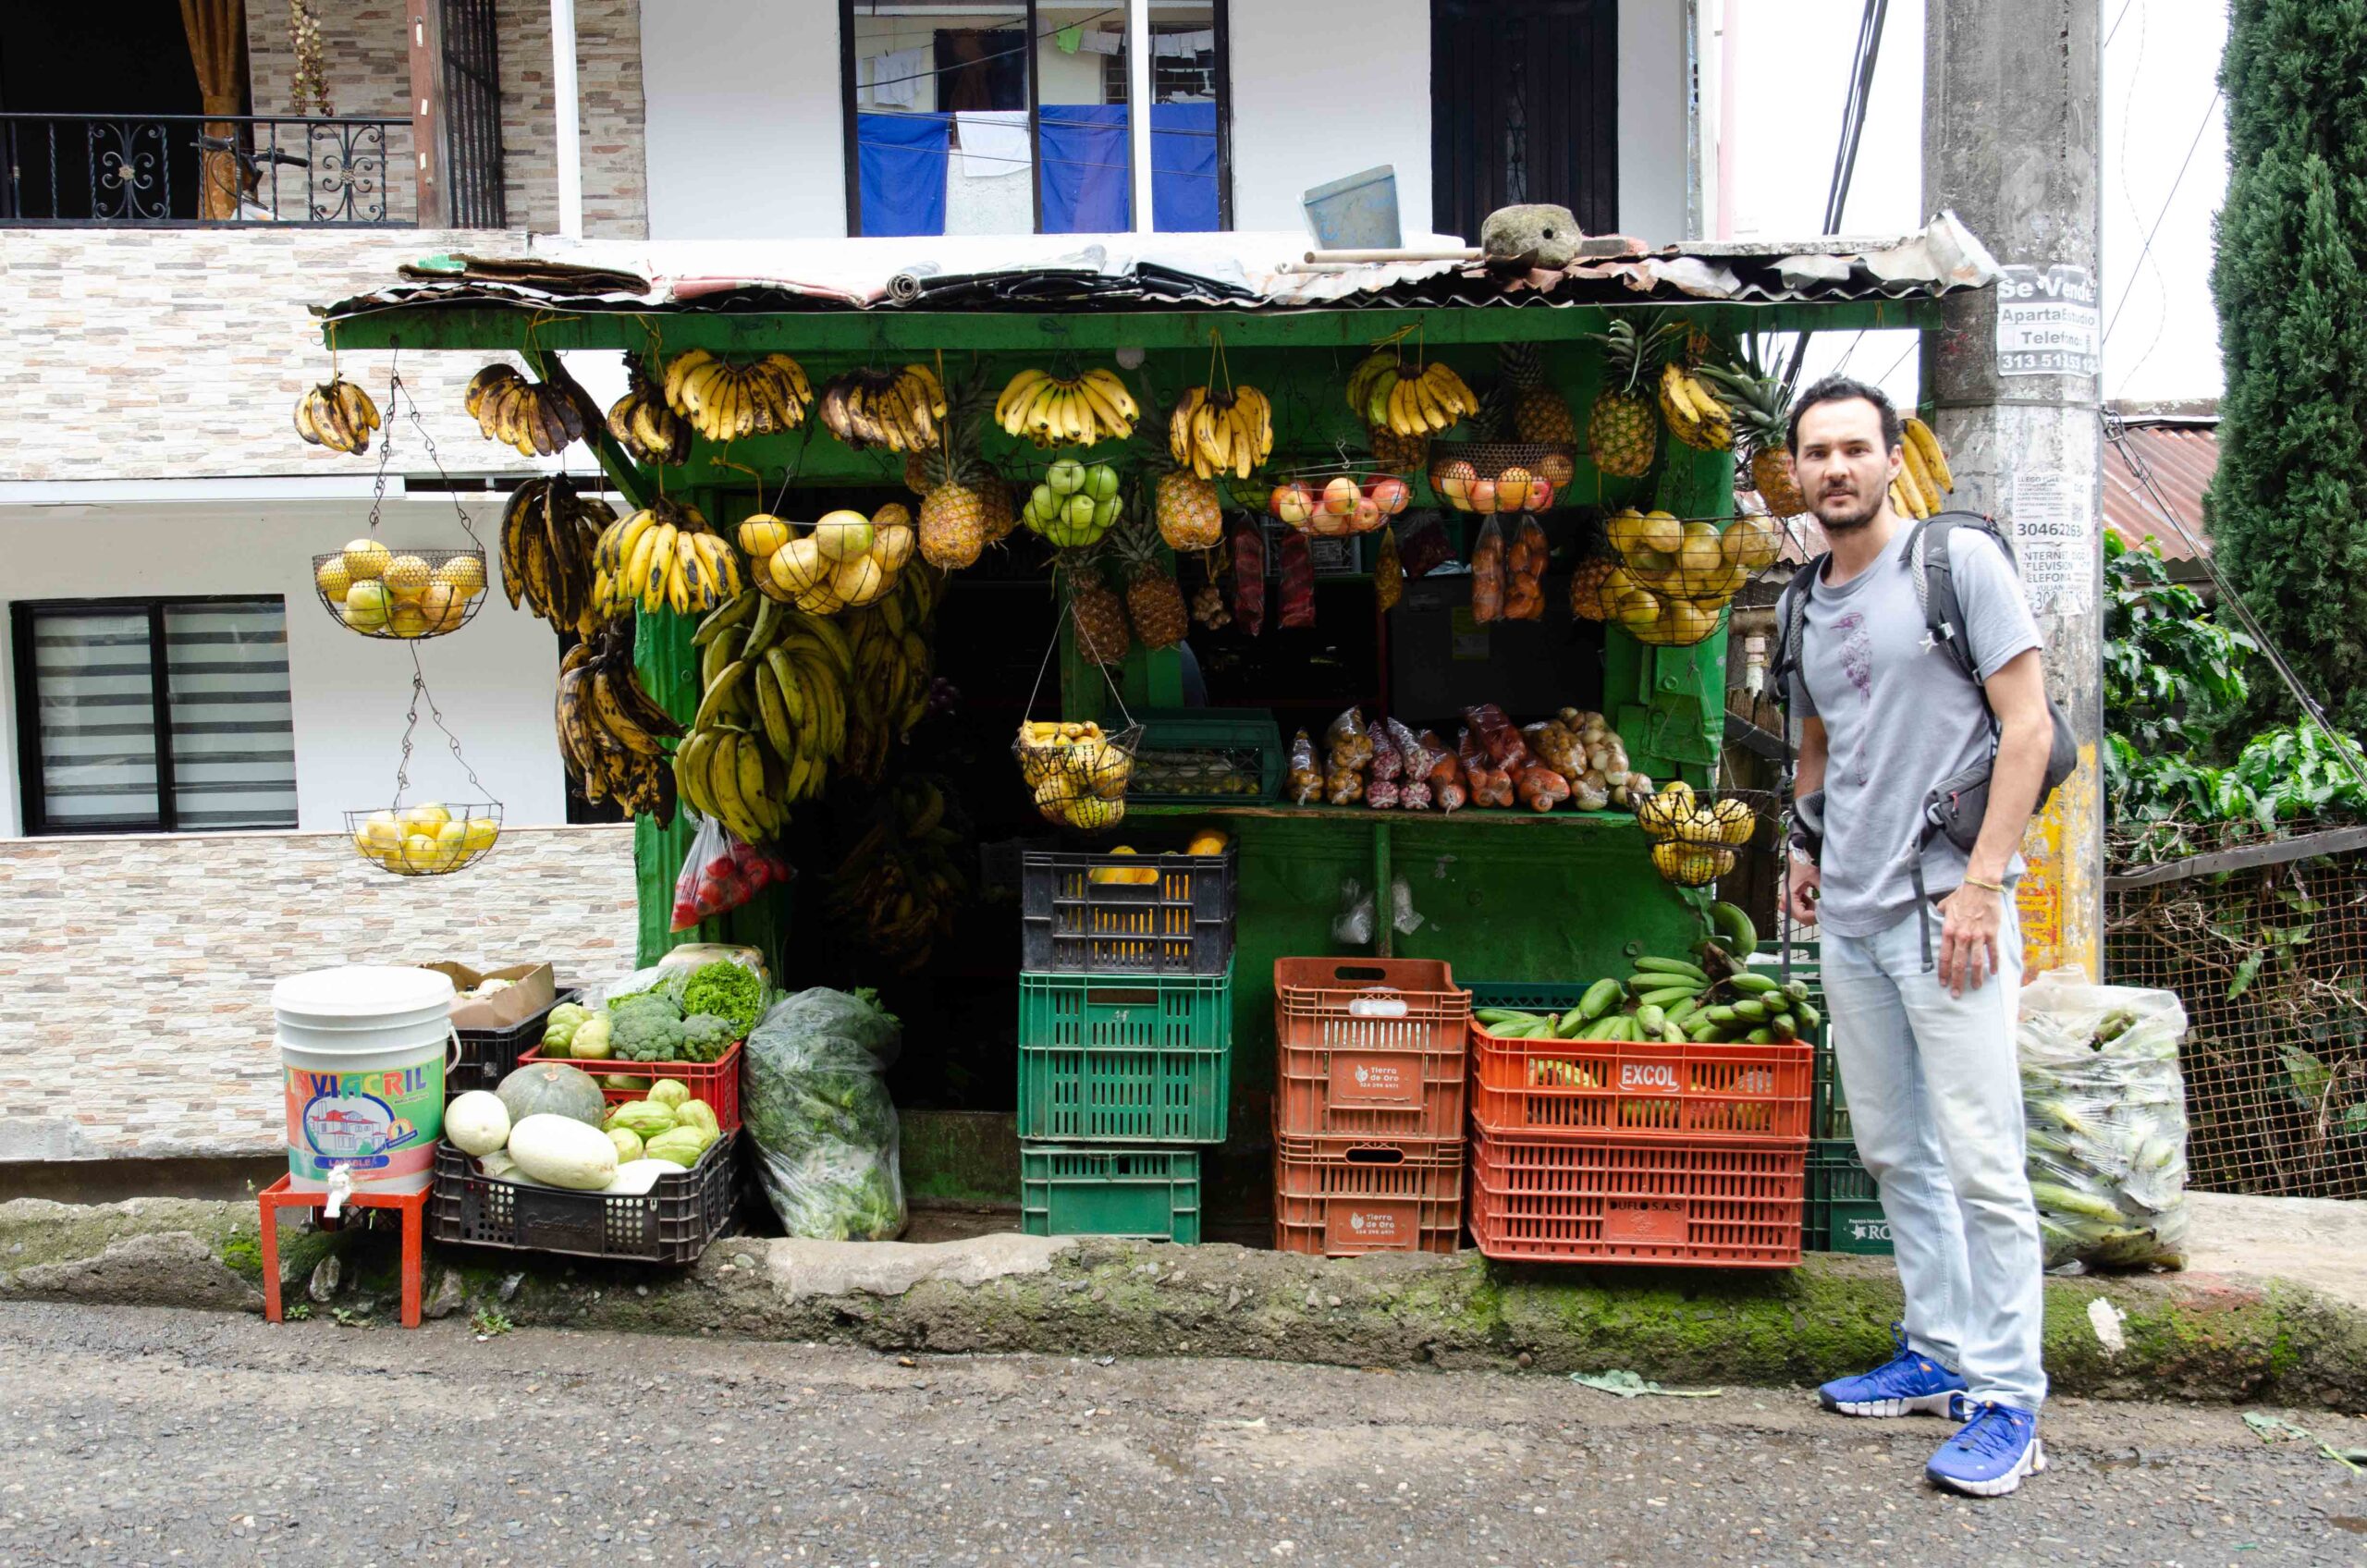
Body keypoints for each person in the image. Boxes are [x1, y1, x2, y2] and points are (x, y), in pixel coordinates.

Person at [1774, 375, 2055, 1498]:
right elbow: (1817, 749)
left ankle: (2009, 1397)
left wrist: (1984, 883)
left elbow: (2027, 724)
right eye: (1816, 452)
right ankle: (1936, 1350)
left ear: (1894, 458)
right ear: (1795, 473)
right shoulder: (1801, 602)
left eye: (1854, 447)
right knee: (1893, 1148)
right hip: (1851, 912)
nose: (1835, 468)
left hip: (1948, 908)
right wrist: (1802, 845)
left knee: (1984, 1159)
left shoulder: (1957, 565)